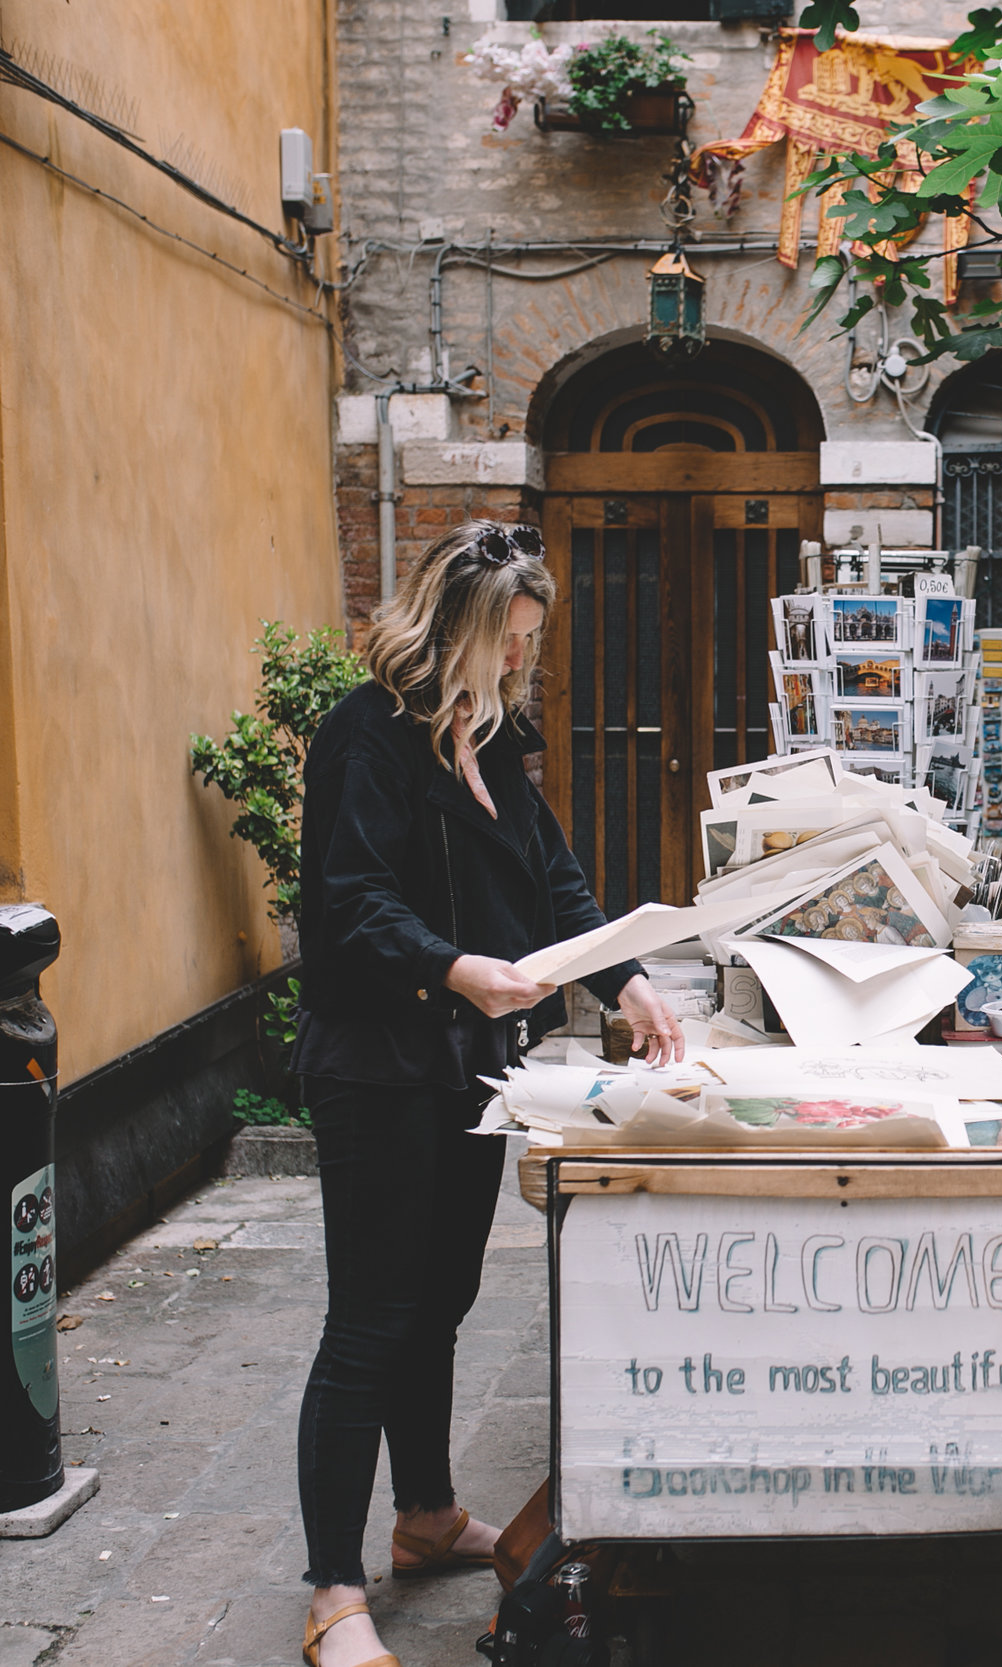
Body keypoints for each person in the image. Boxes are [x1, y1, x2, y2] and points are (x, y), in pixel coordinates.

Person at [289, 521, 683, 1667]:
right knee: (369, 1317)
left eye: (529, 643)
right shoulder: (365, 738)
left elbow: (551, 878)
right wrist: (452, 963)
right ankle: (330, 1589)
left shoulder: (490, 735)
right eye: (509, 641)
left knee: (441, 1296)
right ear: (454, 629)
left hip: (471, 1066)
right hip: (377, 1063)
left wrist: (628, 978)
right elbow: (348, 901)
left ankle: (422, 1515)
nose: (521, 662)